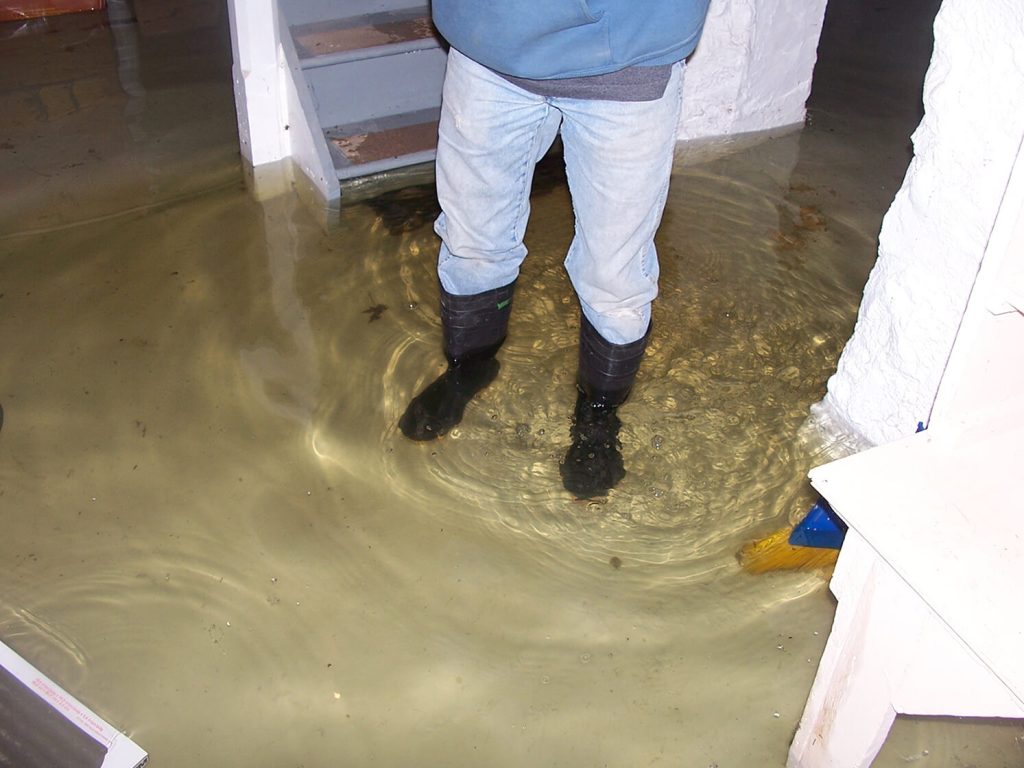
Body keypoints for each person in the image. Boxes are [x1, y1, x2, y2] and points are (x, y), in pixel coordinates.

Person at [399, 0, 712, 498]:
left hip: (631, 55)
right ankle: (469, 368)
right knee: (471, 240)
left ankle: (598, 415)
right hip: (488, 43)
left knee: (615, 273)